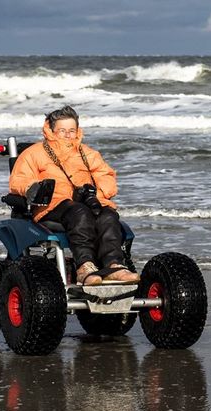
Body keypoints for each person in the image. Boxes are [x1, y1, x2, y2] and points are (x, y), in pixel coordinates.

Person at [9, 105, 139, 286]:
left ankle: (113, 266)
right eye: (62, 130)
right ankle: (85, 266)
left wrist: (97, 194)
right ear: (51, 130)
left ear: (77, 131)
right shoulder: (34, 153)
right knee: (79, 212)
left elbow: (106, 176)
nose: (68, 135)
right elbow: (19, 180)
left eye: (71, 130)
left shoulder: (88, 153)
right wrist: (35, 189)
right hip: (53, 205)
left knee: (108, 215)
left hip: (87, 202)